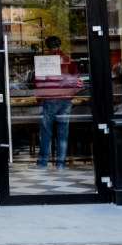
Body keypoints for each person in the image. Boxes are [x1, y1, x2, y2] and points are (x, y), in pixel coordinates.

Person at [34, 35, 83, 169]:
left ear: (47, 46)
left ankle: (43, 163)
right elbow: (79, 83)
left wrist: (40, 98)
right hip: (65, 101)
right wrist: (70, 94)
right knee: (62, 134)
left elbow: (38, 83)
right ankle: (61, 164)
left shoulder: (44, 61)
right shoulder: (68, 60)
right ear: (60, 45)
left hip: (49, 100)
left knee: (46, 133)